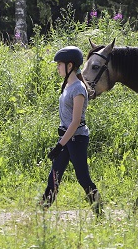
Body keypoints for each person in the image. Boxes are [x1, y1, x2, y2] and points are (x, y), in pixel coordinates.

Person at [41, 46, 102, 214]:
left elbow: (75, 122)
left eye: (59, 64)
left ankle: (99, 211)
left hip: (77, 139)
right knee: (54, 176)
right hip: (67, 138)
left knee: (83, 178)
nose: (57, 67)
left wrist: (60, 145)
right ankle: (42, 211)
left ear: (69, 66)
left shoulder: (78, 89)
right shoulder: (68, 86)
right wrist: (61, 144)